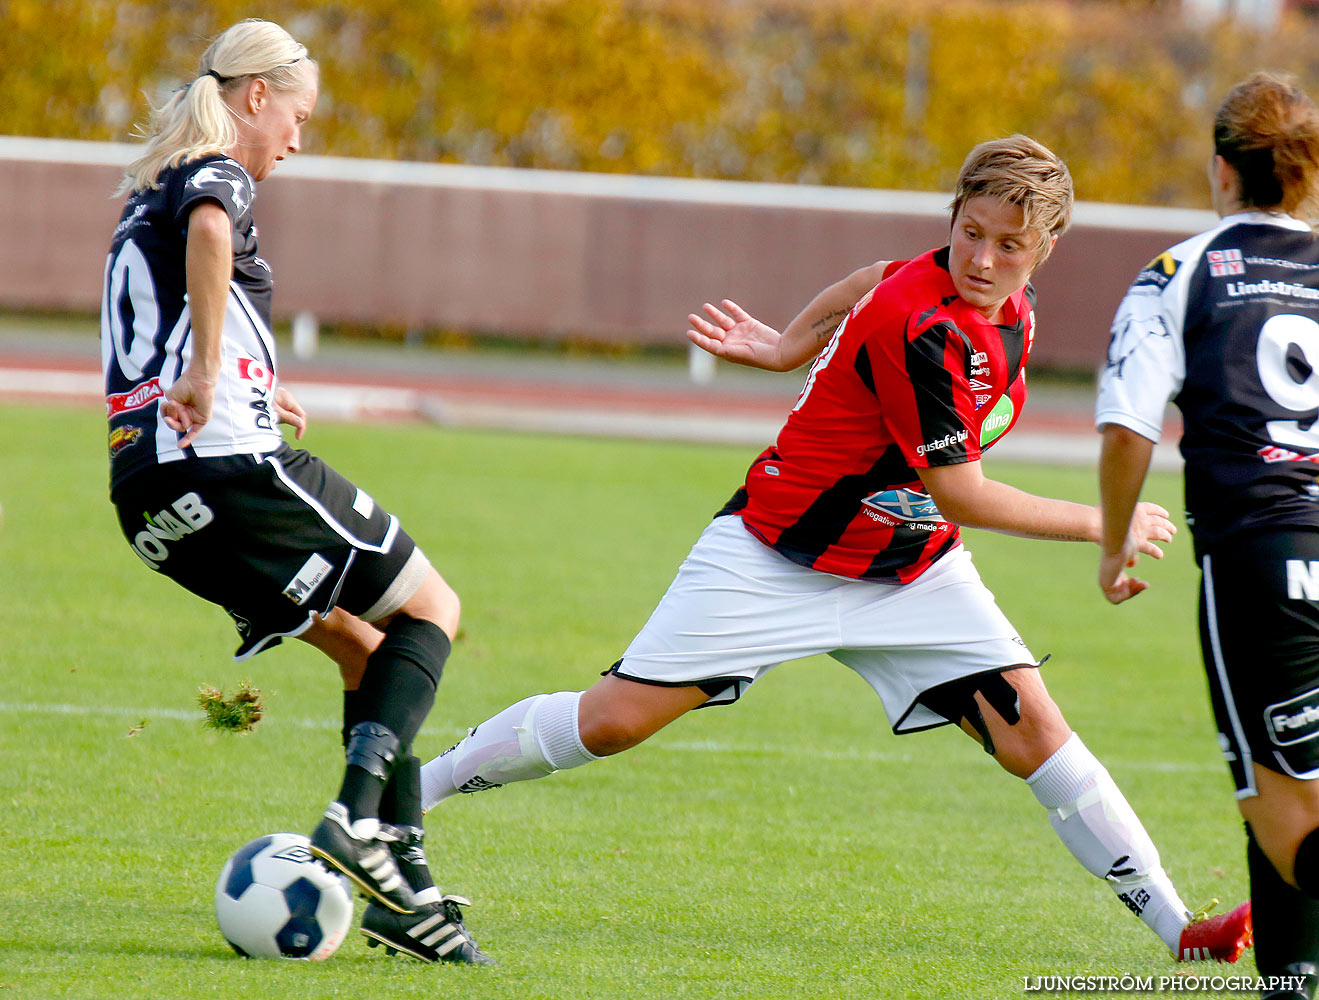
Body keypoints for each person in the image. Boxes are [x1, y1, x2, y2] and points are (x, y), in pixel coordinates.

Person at [420, 135, 1251, 963]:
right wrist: (1107, 522)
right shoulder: (918, 324)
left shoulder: (1007, 311)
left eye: (1009, 245)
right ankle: (402, 799)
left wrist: (787, 346)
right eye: (970, 232)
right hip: (774, 556)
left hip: (910, 574)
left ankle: (1178, 931)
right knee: (610, 723)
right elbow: (958, 490)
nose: (983, 258)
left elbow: (863, 280)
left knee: (1040, 738)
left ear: (1045, 250)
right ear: (952, 217)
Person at [100, 18, 487, 965]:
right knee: (432, 608)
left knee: (364, 652)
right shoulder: (213, 169)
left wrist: (253, 376)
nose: (297, 142)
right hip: (225, 465)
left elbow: (180, 297)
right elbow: (209, 232)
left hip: (149, 503)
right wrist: (205, 374)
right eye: (298, 118)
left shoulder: (147, 188)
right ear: (256, 97)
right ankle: (357, 825)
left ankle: (406, 891)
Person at [1097, 72, 1319, 999]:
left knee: (1285, 818)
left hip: (1262, 556)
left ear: (1220, 172)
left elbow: (1126, 426)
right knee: (1281, 788)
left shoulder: (1179, 273)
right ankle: (1289, 975)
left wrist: (1113, 541)